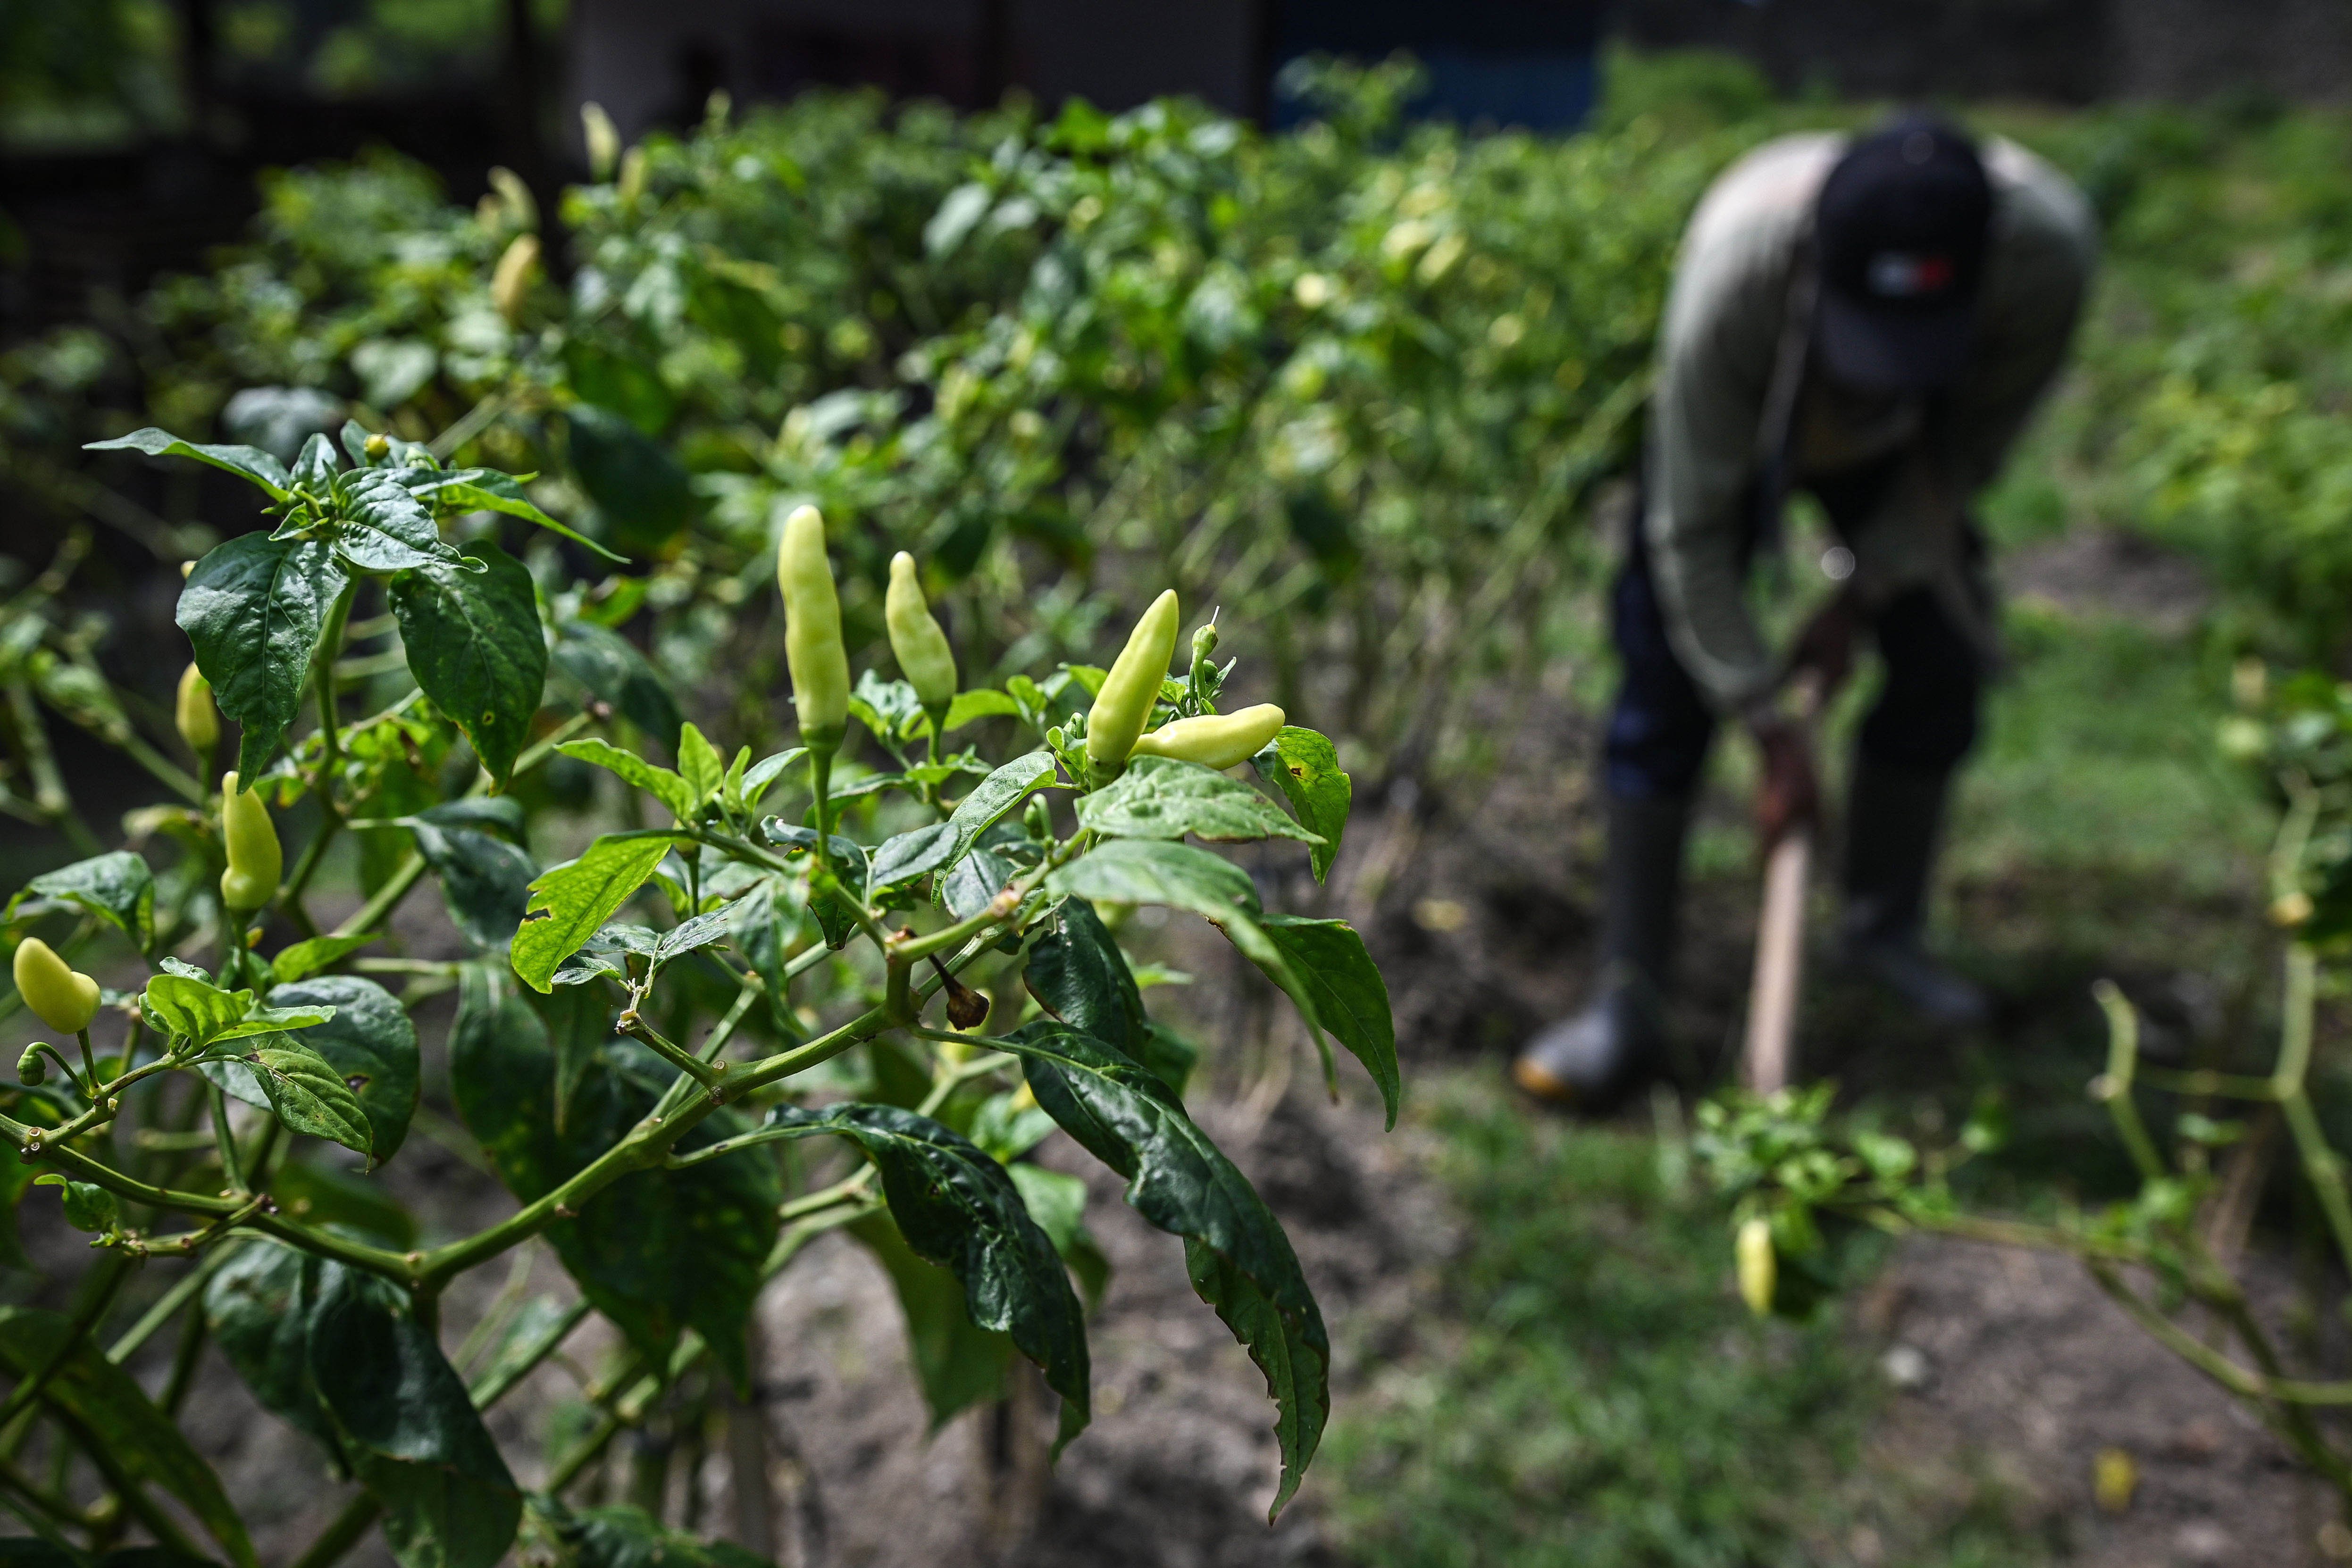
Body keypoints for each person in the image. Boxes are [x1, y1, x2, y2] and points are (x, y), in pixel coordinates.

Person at [1515, 112, 2097, 1109]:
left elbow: (1967, 458)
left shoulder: (2048, 258)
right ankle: (1629, 998)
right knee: (1663, 676)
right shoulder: (1737, 273)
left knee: (1937, 655)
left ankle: (1882, 937)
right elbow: (1689, 537)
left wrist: (1865, 591)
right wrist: (1769, 722)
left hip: (1907, 452)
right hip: (1751, 413)